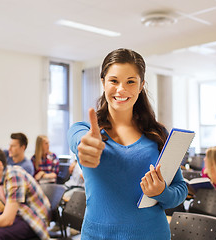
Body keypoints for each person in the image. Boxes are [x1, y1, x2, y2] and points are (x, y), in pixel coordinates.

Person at [67, 48, 187, 239]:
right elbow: (78, 140)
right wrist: (85, 145)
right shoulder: (84, 131)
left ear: (141, 86)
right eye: (113, 81)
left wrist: (161, 192)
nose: (121, 89)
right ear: (103, 83)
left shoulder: (158, 134)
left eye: (130, 81)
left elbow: (180, 189)